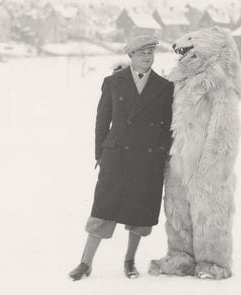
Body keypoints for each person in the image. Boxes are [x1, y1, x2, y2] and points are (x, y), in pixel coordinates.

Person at [69, 35, 174, 280]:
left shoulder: (165, 87)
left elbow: (168, 127)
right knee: (102, 211)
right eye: (142, 53)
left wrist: (160, 153)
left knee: (139, 214)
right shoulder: (113, 82)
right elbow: (102, 121)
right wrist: (101, 154)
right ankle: (85, 263)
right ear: (131, 56)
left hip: (147, 160)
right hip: (116, 157)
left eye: (150, 52)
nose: (147, 57)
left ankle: (129, 261)